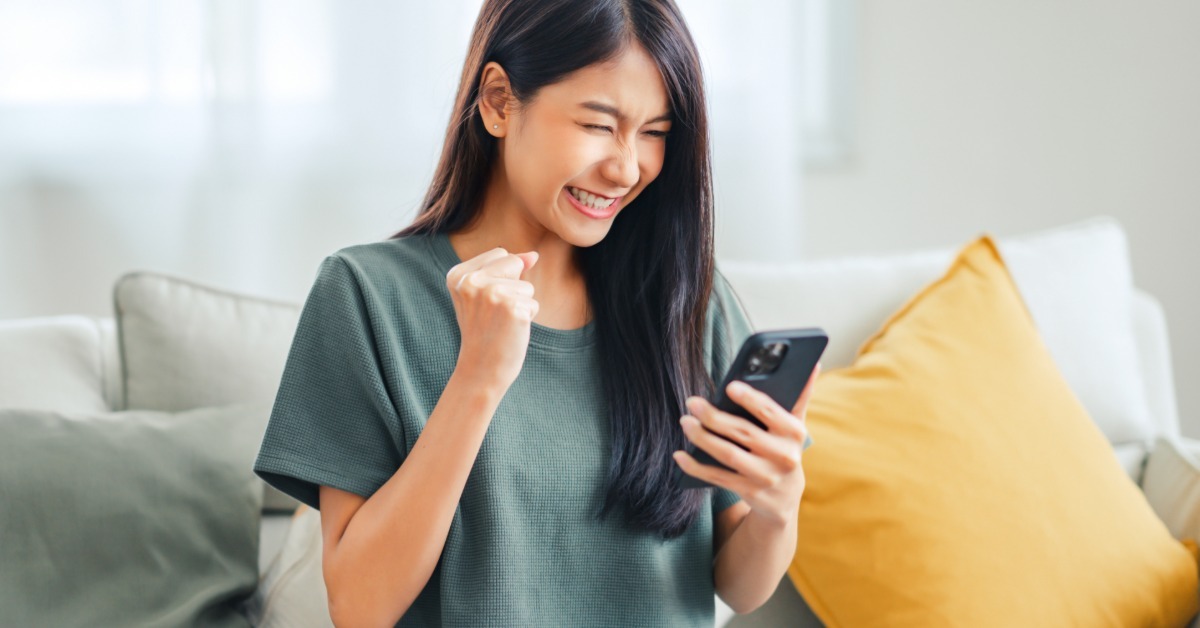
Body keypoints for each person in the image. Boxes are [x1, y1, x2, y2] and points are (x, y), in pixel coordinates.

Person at [253, 0, 818, 625]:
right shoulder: (366, 295)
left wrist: (776, 507)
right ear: (498, 101)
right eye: (599, 125)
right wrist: (477, 378)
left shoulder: (687, 299)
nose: (627, 167)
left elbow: (737, 588)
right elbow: (360, 606)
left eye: (654, 132)